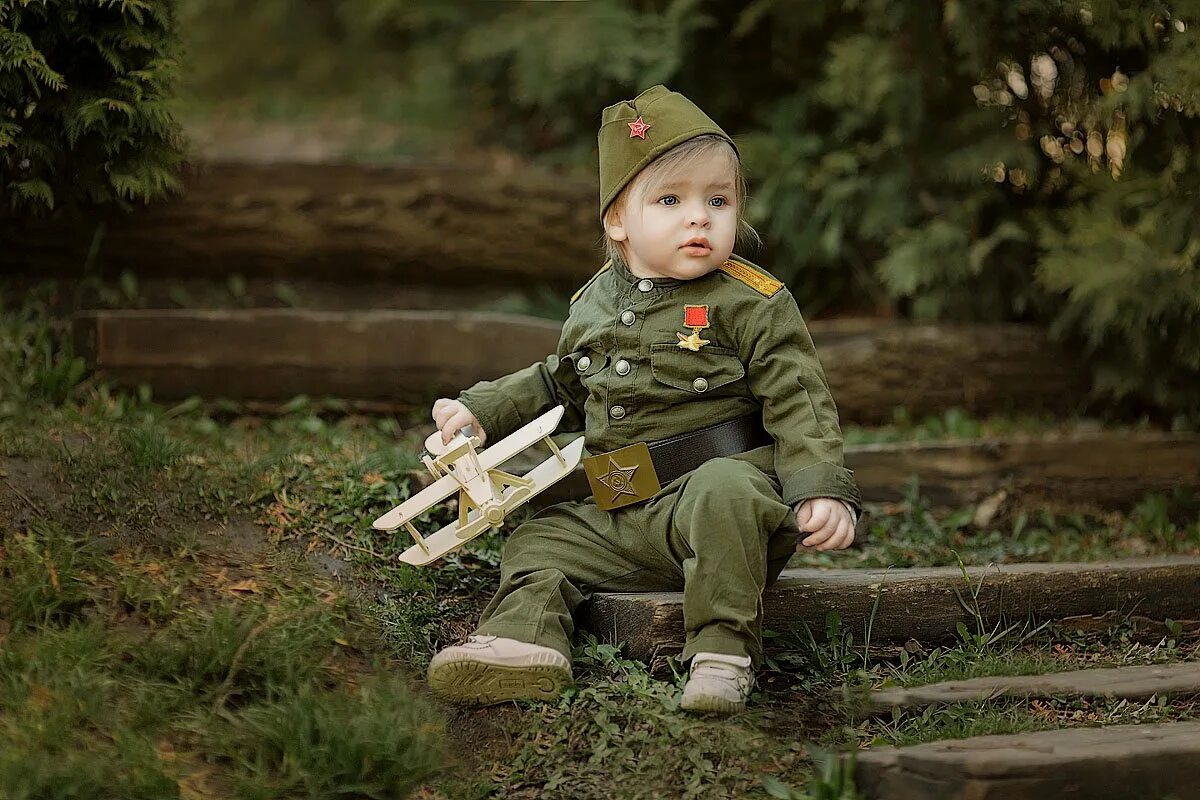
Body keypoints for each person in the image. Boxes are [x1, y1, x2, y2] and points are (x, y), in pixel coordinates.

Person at [425, 84, 861, 714]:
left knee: (727, 492)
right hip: (620, 508)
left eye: (718, 200)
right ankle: (523, 641)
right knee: (537, 539)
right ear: (617, 221)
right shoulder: (595, 303)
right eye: (670, 200)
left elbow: (800, 401)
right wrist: (482, 410)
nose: (699, 217)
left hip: (715, 508)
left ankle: (721, 650)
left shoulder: (752, 303)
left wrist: (820, 486)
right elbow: (561, 382)